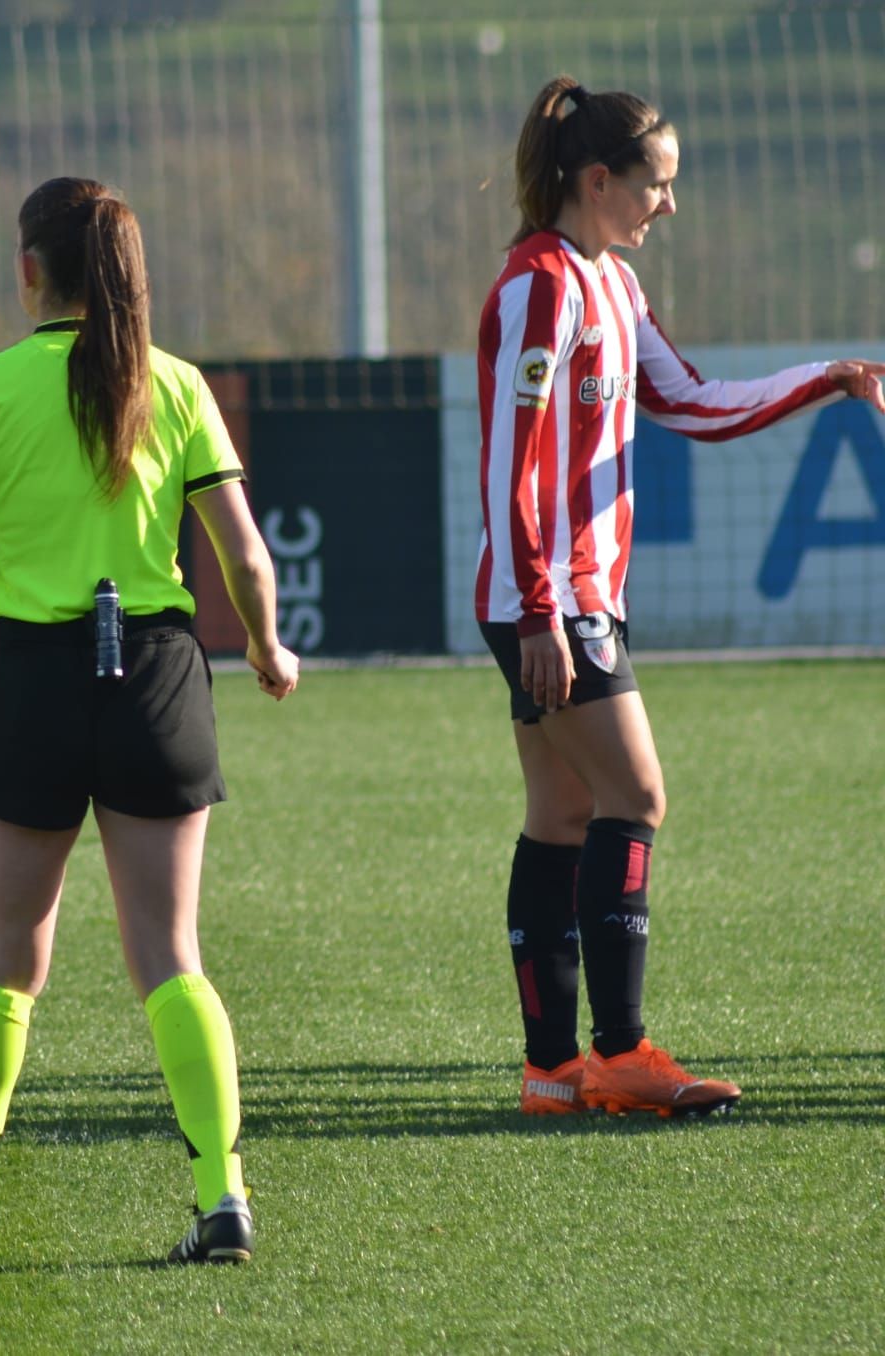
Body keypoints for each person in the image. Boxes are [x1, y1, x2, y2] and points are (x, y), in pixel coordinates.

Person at [0, 177, 299, 1264]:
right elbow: (244, 557)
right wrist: (264, 648)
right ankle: (220, 1195)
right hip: (157, 673)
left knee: (4, 959)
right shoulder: (174, 386)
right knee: (169, 954)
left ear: (28, 271)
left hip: (28, 677)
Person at [476, 76, 885, 1119]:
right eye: (655, 185)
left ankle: (548, 1070)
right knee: (636, 798)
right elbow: (508, 463)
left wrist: (822, 378)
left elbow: (688, 402)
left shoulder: (608, 285)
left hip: (573, 598)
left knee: (562, 814)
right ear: (595, 178)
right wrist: (535, 608)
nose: (669, 204)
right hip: (548, 599)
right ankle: (617, 1056)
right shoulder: (539, 284)